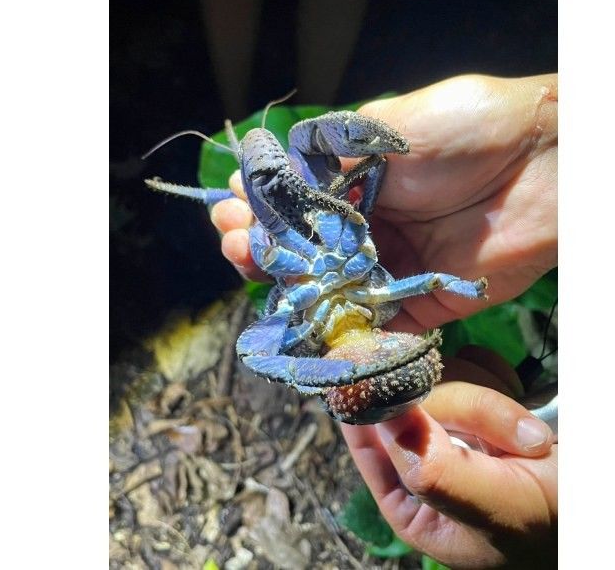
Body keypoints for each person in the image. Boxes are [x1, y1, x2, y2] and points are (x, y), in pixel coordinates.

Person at [209, 74, 558, 568]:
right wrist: (546, 134)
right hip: (363, 318)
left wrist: (544, 133)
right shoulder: (336, 239)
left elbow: (422, 265)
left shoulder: (309, 226)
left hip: (355, 324)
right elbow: (261, 347)